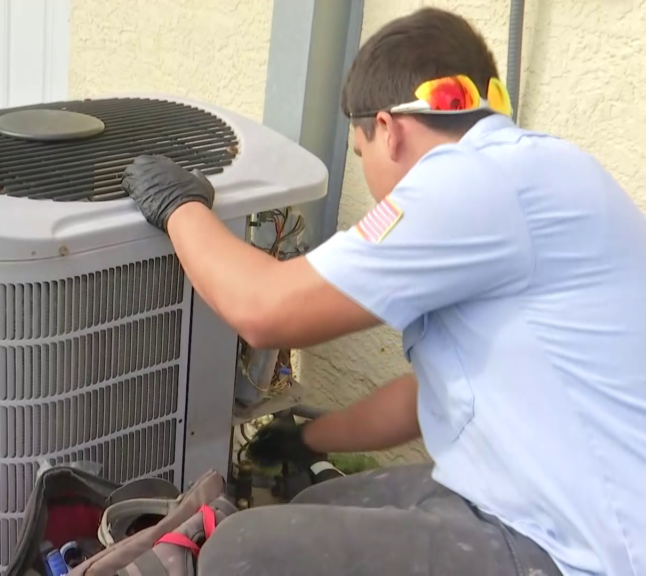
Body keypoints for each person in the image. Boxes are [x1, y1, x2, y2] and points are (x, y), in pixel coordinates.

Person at [119, 7, 646, 576]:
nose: (369, 176)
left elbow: (263, 309)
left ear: (388, 130)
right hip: (534, 502)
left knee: (239, 551)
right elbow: (432, 397)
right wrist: (305, 439)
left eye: (361, 153)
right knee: (309, 507)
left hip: (583, 554)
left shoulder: (469, 182)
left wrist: (179, 208)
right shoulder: (535, 174)